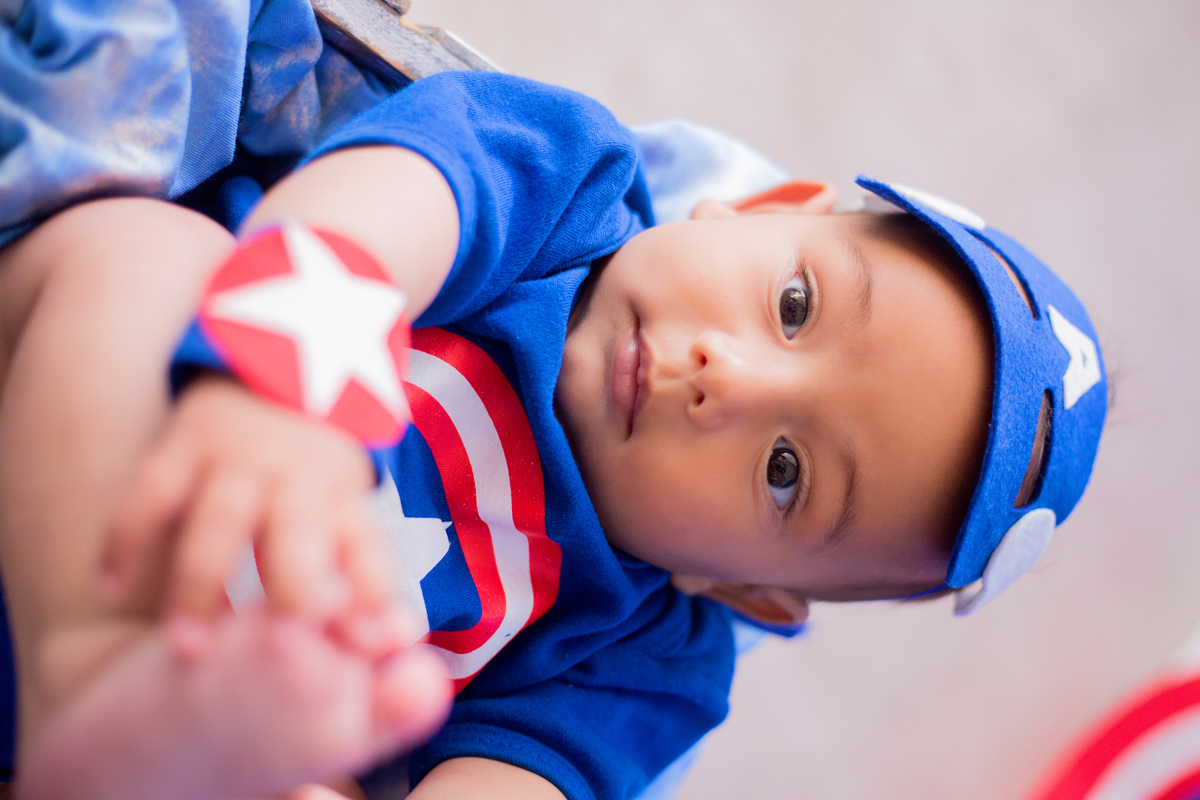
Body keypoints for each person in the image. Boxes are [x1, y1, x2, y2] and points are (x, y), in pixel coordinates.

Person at [0, 4, 1108, 800]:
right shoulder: (565, 187)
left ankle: (130, 751)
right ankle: (91, 672)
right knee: (152, 254)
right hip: (59, 421)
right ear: (755, 206)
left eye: (786, 470)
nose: (727, 379)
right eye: (795, 302)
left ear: (751, 589)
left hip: (172, 735)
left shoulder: (641, 661)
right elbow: (375, 214)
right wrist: (283, 395)